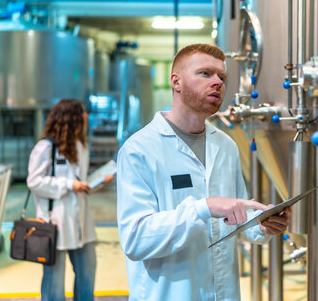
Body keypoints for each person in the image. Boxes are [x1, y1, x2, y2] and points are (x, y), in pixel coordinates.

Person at [117, 44, 291, 300]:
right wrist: (203, 208)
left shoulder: (225, 145)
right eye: (205, 74)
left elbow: (236, 220)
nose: (218, 82)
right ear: (176, 81)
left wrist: (262, 225)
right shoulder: (140, 150)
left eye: (222, 77)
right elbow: (136, 239)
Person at [27, 99, 113, 301]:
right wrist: (68, 185)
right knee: (54, 281)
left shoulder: (80, 145)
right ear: (70, 117)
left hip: (81, 223)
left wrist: (98, 181)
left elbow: (80, 182)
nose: (86, 116)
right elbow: (34, 181)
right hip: (55, 223)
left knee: (87, 274)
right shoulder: (46, 147)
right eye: (82, 112)